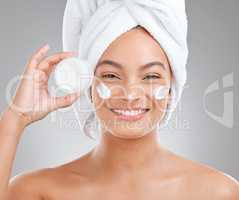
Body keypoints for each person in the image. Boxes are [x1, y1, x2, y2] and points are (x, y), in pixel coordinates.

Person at [1, 26, 239, 200]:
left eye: (151, 76)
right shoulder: (36, 192)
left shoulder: (219, 192)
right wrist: (15, 118)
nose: (130, 94)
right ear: (88, 86)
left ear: (171, 88)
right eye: (110, 75)